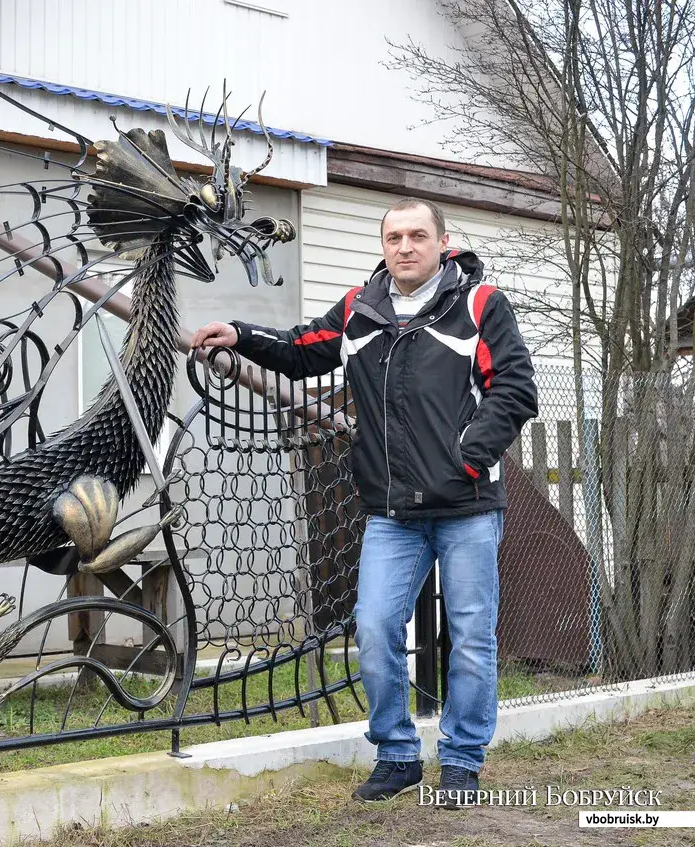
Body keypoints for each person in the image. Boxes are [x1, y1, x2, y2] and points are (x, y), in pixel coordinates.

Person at [191, 197, 538, 808]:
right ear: (383, 247)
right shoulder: (360, 309)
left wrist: (468, 455)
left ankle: (461, 762)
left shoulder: (479, 306)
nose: (405, 247)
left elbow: (514, 388)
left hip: (468, 509)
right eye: (394, 237)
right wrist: (242, 335)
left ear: (441, 242)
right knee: (375, 628)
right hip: (391, 514)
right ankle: (398, 755)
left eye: (417, 236)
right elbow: (302, 350)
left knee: (472, 638)